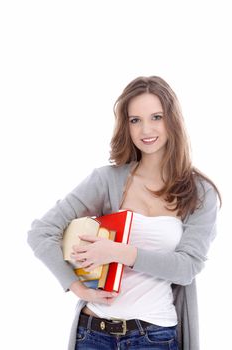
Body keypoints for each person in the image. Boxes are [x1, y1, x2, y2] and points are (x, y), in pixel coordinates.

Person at [27, 76, 221, 350]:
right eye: (135, 120)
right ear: (126, 125)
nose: (146, 129)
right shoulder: (107, 180)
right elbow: (41, 232)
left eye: (156, 117)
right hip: (93, 332)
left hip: (154, 336)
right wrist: (75, 286)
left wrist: (118, 252)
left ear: (173, 120)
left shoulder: (200, 192)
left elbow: (187, 268)